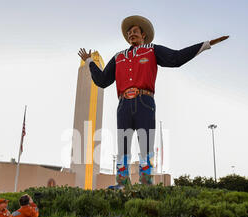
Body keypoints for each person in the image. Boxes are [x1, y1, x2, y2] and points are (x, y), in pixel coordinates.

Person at [78, 15, 229, 189]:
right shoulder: (118, 57)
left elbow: (176, 58)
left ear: (144, 36)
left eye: (135, 31)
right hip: (124, 104)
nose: (131, 34)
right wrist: (89, 61)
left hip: (145, 101)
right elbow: (103, 80)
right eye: (129, 32)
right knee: (123, 146)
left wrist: (206, 44)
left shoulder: (152, 50)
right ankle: (122, 183)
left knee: (145, 144)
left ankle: (145, 184)